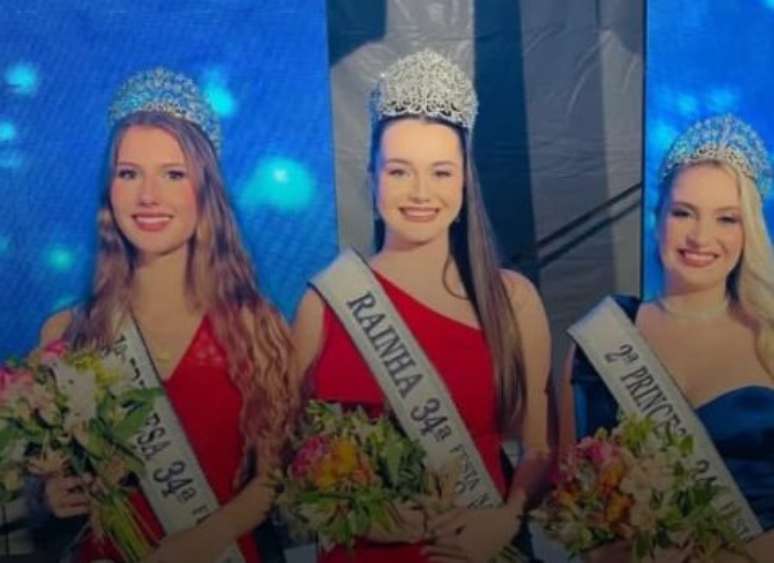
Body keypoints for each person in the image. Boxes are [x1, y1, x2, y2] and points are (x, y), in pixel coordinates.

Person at [293, 49, 552, 563]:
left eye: (440, 172)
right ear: (372, 178)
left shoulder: (512, 299)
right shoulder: (324, 304)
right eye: (399, 172)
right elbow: (286, 460)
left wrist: (506, 519)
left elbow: (540, 449)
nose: (420, 193)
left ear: (464, 182)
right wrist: (361, 514)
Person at [36, 68, 295, 563]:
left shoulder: (255, 327)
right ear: (110, 191)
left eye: (173, 174)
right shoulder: (66, 332)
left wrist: (202, 540)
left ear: (205, 191)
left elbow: (273, 479)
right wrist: (49, 493)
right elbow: (47, 473)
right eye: (129, 173)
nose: (148, 196)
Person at [559, 114, 774, 562]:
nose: (701, 236)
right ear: (658, 219)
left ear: (748, 232)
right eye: (683, 213)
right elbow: (566, 498)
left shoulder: (768, 340)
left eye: (726, 219)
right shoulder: (599, 341)